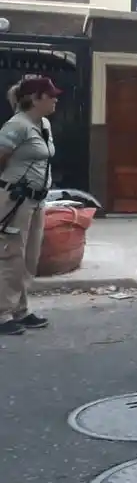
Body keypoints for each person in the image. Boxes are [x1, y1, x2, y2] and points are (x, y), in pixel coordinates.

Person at [0, 77, 60, 335]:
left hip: (36, 200)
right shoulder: (17, 126)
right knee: (10, 256)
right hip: (16, 200)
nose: (55, 99)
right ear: (35, 99)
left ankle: (20, 310)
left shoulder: (43, 124)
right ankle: (2, 314)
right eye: (50, 95)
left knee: (28, 258)